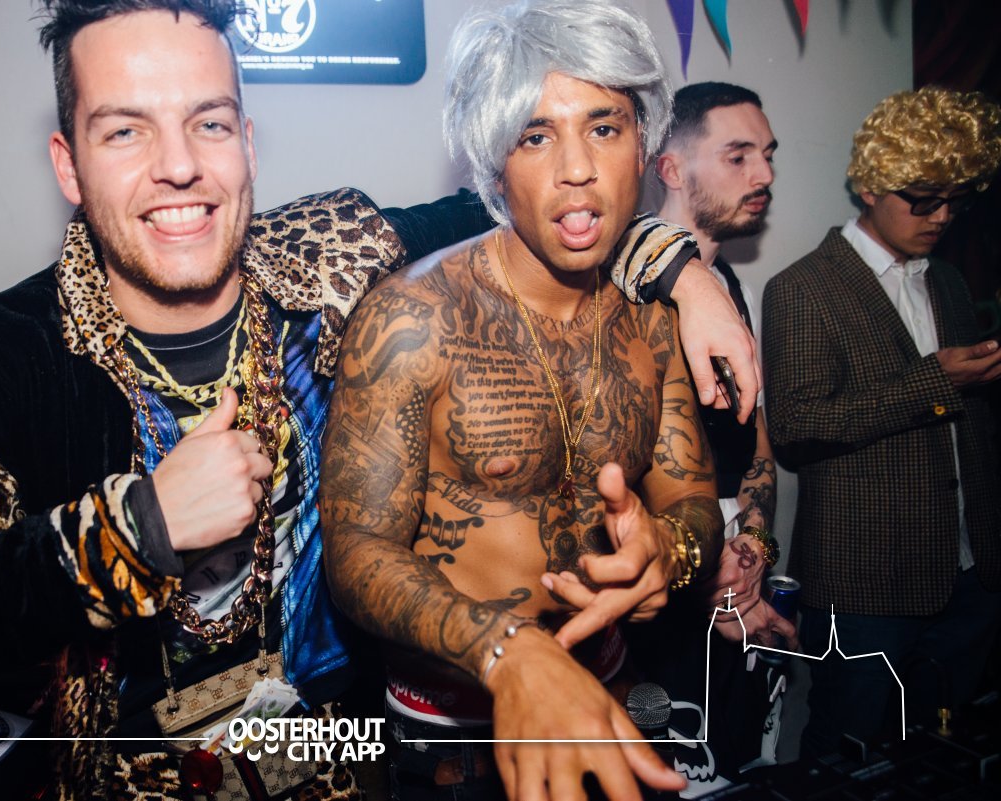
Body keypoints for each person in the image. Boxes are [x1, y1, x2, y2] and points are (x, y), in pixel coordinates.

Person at [0, 1, 756, 799]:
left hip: (337, 754)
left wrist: (683, 272)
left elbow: (529, 207)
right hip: (131, 771)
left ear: (247, 142)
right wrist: (135, 528)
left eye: (208, 123)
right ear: (69, 163)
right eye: (125, 131)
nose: (178, 167)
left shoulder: (329, 254)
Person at [320, 2, 724, 799]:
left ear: (644, 144)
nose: (577, 168)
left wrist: (667, 552)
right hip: (451, 740)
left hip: (610, 694)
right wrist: (506, 649)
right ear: (493, 163)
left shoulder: (652, 319)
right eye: (535, 136)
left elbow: (693, 499)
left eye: (603, 127)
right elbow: (356, 552)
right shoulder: (414, 319)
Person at [763, 86, 1001, 758]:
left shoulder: (947, 281)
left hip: (970, 574)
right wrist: (937, 382)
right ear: (870, 185)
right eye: (922, 199)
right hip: (866, 584)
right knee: (850, 757)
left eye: (956, 199)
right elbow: (797, 428)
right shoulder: (803, 287)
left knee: (943, 755)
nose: (941, 215)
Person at [632, 81, 797, 789]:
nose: (764, 174)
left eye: (767, 154)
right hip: (657, 598)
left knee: (738, 767)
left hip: (732, 584)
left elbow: (756, 441)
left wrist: (755, 546)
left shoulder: (731, 285)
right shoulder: (622, 294)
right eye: (738, 156)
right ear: (671, 169)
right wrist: (700, 572)